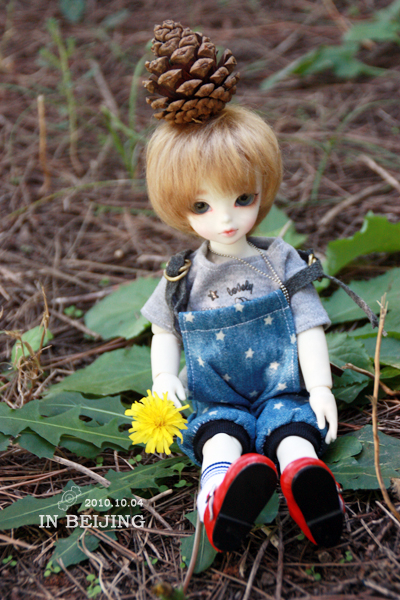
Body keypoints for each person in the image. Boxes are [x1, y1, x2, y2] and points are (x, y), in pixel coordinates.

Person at [141, 100, 345, 551]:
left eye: (242, 199)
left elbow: (308, 326)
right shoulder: (182, 276)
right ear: (178, 206)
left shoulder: (281, 261)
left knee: (293, 430)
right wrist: (163, 378)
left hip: (283, 387)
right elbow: (164, 332)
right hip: (217, 395)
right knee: (218, 437)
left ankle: (309, 483)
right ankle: (220, 496)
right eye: (201, 205)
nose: (226, 219)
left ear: (261, 189)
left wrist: (320, 388)